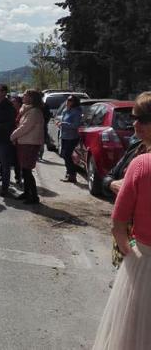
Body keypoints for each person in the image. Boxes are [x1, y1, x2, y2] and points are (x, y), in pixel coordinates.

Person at [92, 92, 151, 350]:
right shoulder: (136, 154)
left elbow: (117, 224)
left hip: (143, 259)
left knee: (131, 332)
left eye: (141, 119)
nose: (134, 124)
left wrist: (130, 254)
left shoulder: (141, 164)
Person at [10, 90, 45, 204]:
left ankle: (34, 196)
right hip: (24, 143)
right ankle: (27, 192)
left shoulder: (34, 111)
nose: (23, 97)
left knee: (27, 170)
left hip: (30, 144)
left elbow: (25, 127)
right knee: (24, 170)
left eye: (25, 95)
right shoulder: (27, 109)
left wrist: (13, 135)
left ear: (31, 98)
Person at [56, 95, 82, 183]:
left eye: (70, 100)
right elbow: (61, 119)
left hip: (72, 137)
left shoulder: (76, 112)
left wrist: (63, 124)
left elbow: (75, 125)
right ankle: (69, 173)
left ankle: (72, 175)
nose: (68, 101)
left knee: (68, 155)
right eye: (67, 100)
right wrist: (59, 122)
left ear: (75, 102)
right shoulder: (66, 110)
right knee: (64, 155)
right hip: (64, 136)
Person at [10, 95, 24, 185]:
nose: (12, 103)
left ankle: (18, 177)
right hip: (10, 137)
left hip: (19, 139)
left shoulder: (22, 112)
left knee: (17, 160)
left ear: (19, 103)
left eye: (14, 101)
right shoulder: (10, 111)